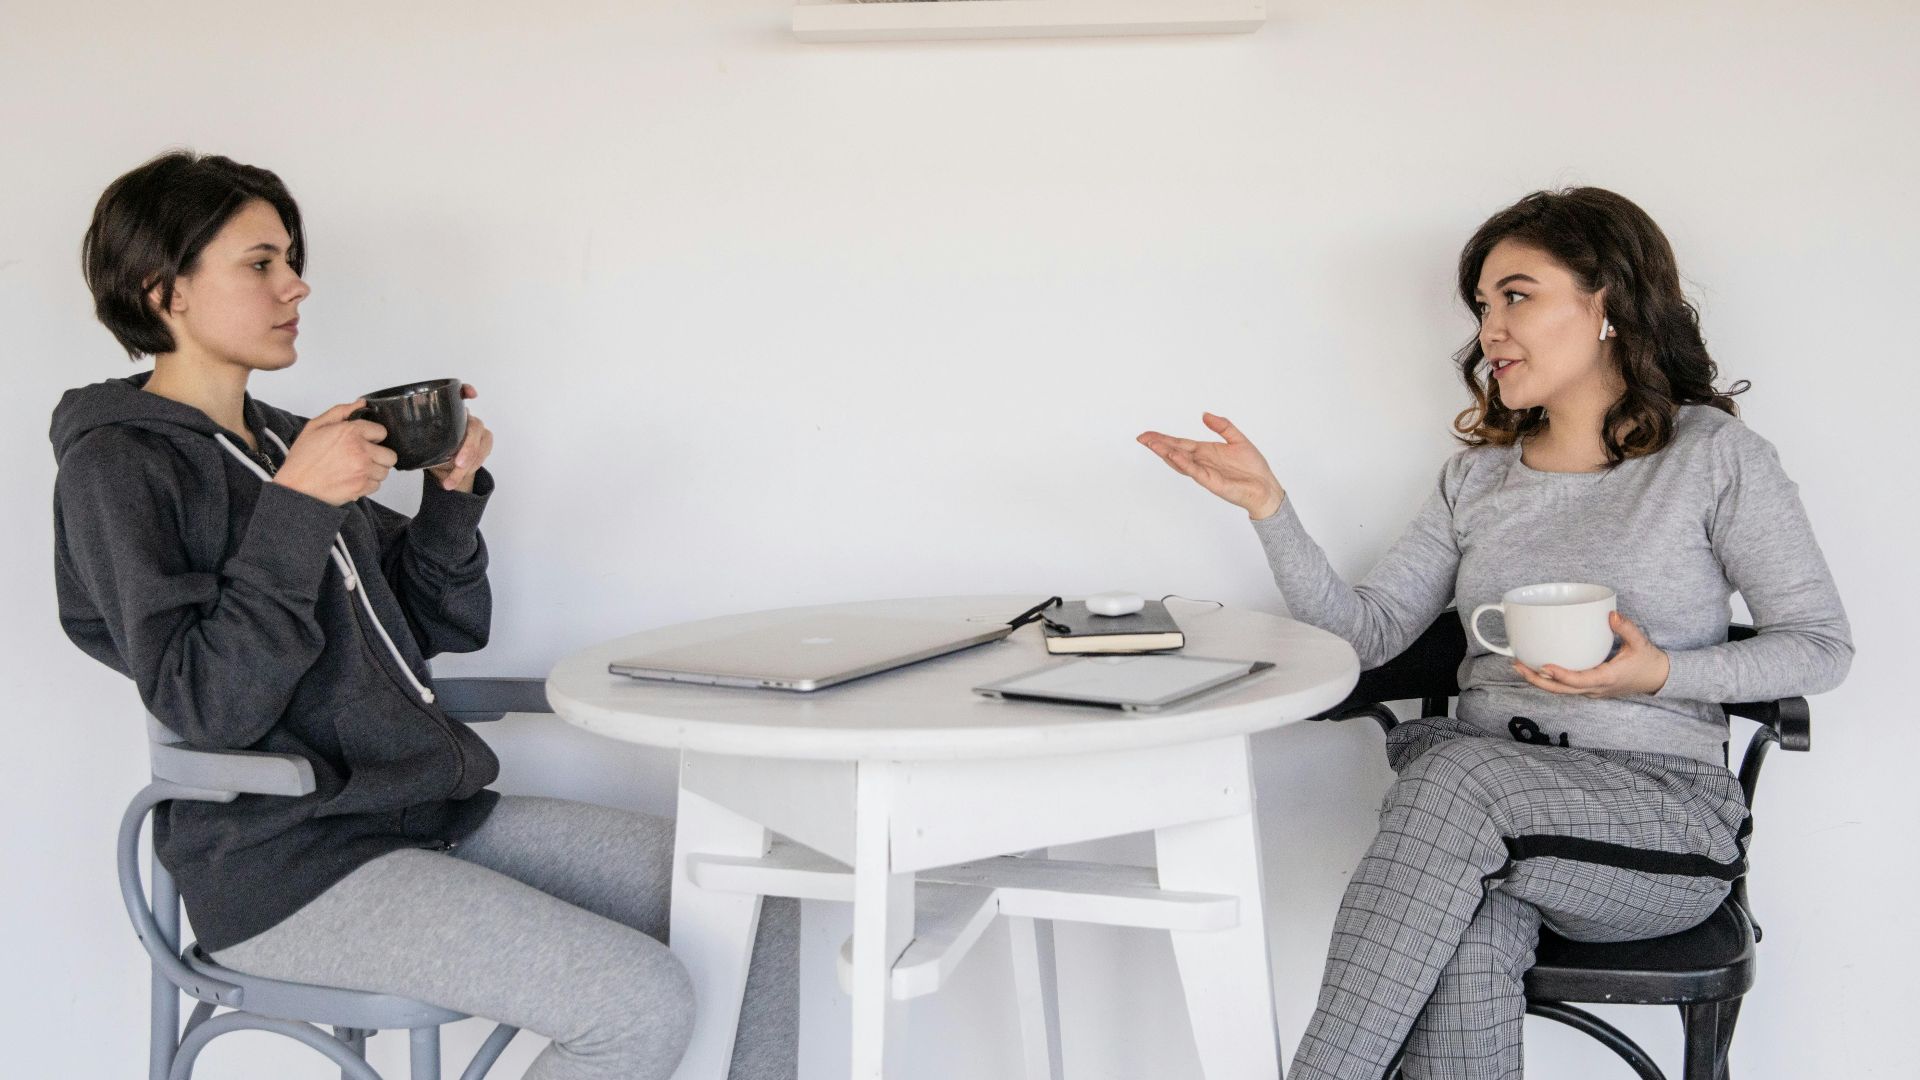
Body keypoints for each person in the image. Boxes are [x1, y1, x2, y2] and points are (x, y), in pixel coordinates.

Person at [52, 151, 796, 1080]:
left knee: (761, 894)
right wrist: (299, 507)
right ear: (166, 290)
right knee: (637, 1002)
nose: (297, 283)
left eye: (291, 258)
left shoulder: (287, 440)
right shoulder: (116, 467)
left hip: (421, 812)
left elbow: (432, 623)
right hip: (285, 863)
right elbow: (206, 702)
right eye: (260, 263)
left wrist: (449, 496)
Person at [1138, 187, 1852, 1080]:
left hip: (1655, 822)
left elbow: (1820, 646)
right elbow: (1367, 636)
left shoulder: (1711, 457)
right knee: (1467, 933)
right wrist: (1269, 510)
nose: (1491, 330)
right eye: (1481, 306)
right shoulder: (1475, 481)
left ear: (1607, 305)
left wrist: (1657, 673)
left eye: (1517, 295)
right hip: (1480, 834)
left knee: (1457, 776)